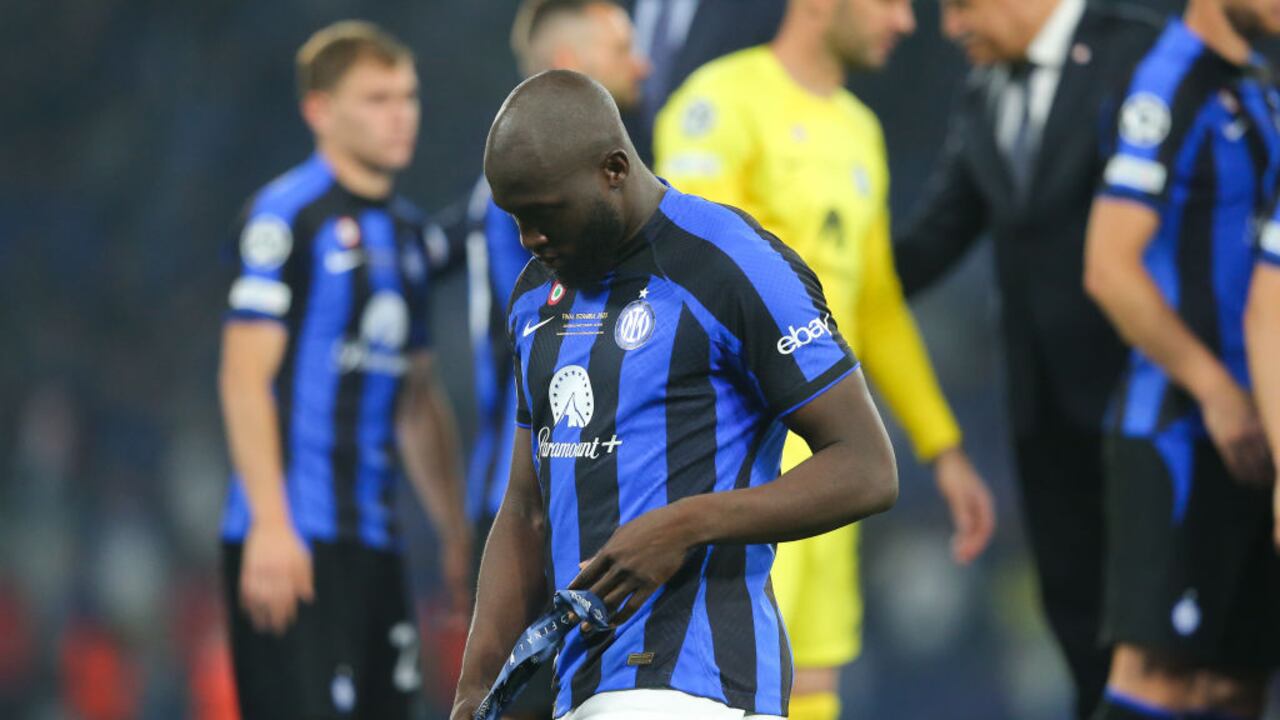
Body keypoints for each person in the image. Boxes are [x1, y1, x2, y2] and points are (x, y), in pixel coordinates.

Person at [451, 69, 899, 720]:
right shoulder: (535, 297)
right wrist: (474, 686)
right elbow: (525, 508)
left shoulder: (730, 262)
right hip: (582, 691)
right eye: (516, 218)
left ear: (613, 169)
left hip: (702, 682)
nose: (529, 238)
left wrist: (685, 525)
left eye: (545, 213)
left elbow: (866, 467)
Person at [653, 1, 996, 717]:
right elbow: (697, 276)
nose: (905, 22)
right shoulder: (718, 104)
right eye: (888, 2)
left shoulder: (858, 130)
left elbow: (877, 306)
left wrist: (942, 447)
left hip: (831, 460)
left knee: (810, 680)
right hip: (739, 463)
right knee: (733, 684)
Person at [891, 0, 1160, 714]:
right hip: (1042, 411)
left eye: (961, 6)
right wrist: (803, 296)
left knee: (1163, 636)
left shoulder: (1138, 57)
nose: (949, 28)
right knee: (1078, 622)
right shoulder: (986, 88)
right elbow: (936, 235)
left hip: (1144, 403)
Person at [218, 21, 470, 719]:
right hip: (293, 539)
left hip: (378, 541)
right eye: (377, 99)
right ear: (320, 111)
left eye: (408, 96)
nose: (401, 115)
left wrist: (454, 530)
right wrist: (271, 524)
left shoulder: (411, 238)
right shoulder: (287, 218)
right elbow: (243, 378)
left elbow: (416, 399)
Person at [1083, 0, 1280, 717]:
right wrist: (1217, 391)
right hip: (1180, 429)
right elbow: (1109, 268)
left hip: (1259, 430)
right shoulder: (1168, 84)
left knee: (1235, 686)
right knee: (1157, 676)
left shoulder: (1256, 84)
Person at [465, 3, 649, 717]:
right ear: (572, 68)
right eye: (621, 48)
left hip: (572, 496)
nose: (642, 64)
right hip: (529, 506)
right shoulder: (534, 203)